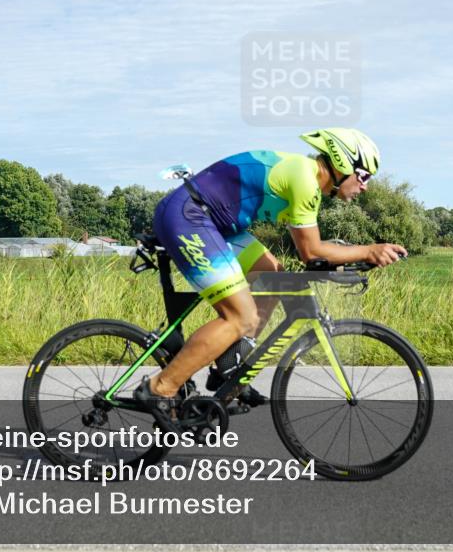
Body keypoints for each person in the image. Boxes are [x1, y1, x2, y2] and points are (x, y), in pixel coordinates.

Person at [134, 128, 407, 428]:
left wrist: (351, 261)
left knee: (272, 276)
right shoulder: (304, 180)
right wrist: (368, 251)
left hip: (216, 222)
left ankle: (229, 366)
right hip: (190, 217)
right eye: (364, 176)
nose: (365, 187)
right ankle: (160, 388)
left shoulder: (307, 181)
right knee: (240, 317)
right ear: (343, 163)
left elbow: (314, 255)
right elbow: (311, 251)